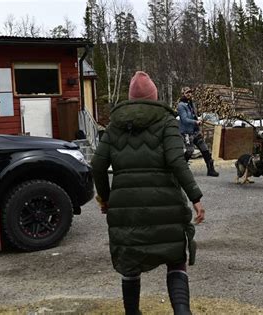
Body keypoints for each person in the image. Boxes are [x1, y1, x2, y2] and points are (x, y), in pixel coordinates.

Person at [91, 71, 205, 315]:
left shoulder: (113, 127)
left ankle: (132, 313)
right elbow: (177, 161)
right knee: (175, 259)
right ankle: (182, 312)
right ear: (154, 97)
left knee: (129, 263)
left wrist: (106, 199)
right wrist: (195, 197)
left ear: (131, 98)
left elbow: (97, 166)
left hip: (126, 209)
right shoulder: (166, 122)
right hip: (166, 203)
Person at [177, 87, 219, 177]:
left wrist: (198, 119)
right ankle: (180, 169)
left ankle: (210, 170)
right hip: (187, 132)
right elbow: (184, 119)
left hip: (195, 131)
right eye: (187, 92)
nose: (189, 94)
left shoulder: (192, 103)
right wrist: (195, 122)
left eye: (190, 92)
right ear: (183, 94)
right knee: (190, 151)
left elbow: (194, 115)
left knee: (205, 149)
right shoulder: (181, 105)